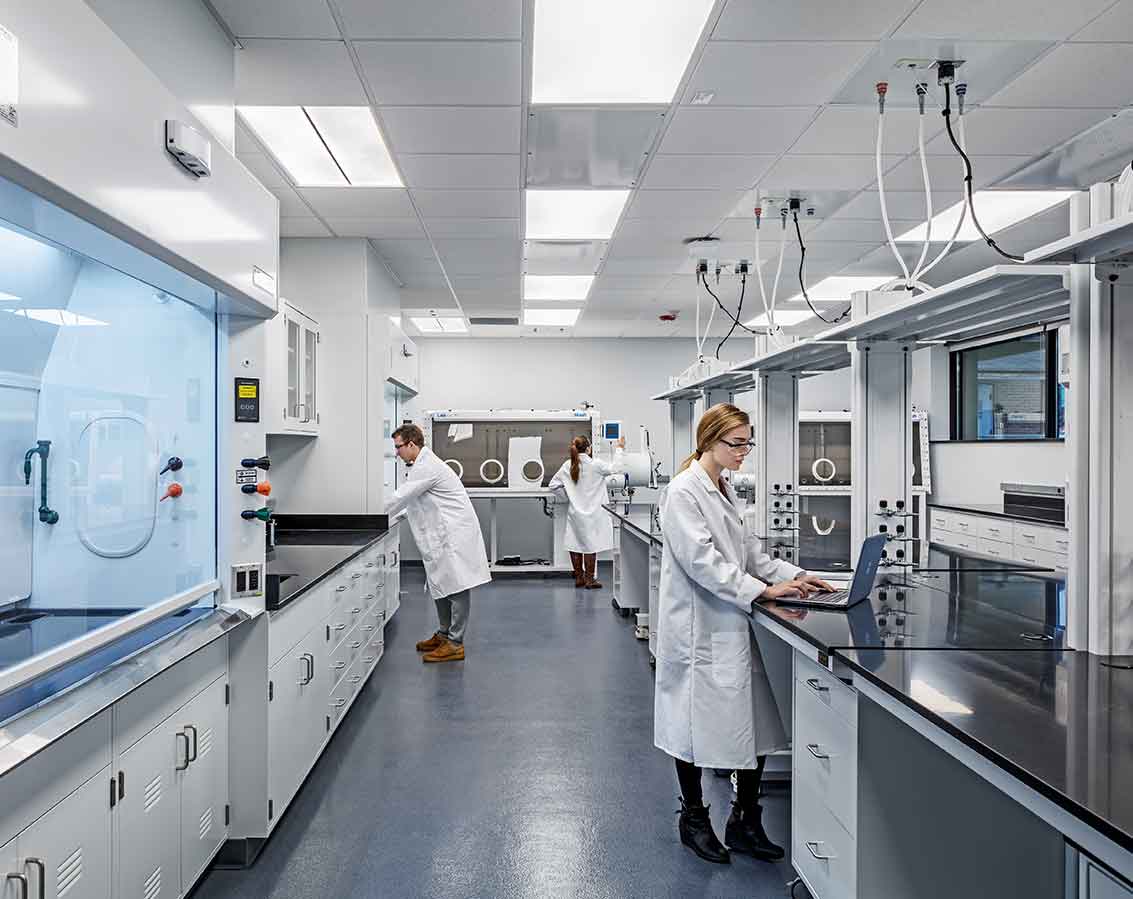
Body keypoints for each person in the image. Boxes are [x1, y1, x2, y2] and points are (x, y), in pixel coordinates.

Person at [653, 403, 833, 864]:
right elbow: (703, 562)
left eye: (747, 442)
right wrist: (763, 590)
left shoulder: (722, 487)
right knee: (691, 727)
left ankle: (744, 820)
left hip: (731, 623)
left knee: (753, 721)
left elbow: (748, 552)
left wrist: (795, 575)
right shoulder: (683, 492)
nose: (744, 452)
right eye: (737, 443)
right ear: (710, 440)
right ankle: (693, 819)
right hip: (698, 629)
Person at [387, 424, 491, 663]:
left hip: (453, 536)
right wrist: (394, 516)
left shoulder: (427, 466)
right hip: (441, 536)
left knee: (456, 586)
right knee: (441, 584)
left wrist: (368, 514)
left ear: (412, 444)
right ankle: (444, 634)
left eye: (398, 447)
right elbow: (413, 503)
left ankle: (456, 642)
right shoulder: (418, 466)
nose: (397, 452)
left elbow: (400, 497)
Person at [548, 434, 626, 589]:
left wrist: (568, 497)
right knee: (590, 545)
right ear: (589, 449)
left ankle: (579, 578)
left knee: (575, 544)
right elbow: (616, 468)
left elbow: (553, 485)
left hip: (575, 513)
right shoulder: (596, 464)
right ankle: (590, 580)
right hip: (594, 514)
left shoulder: (567, 465)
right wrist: (619, 448)